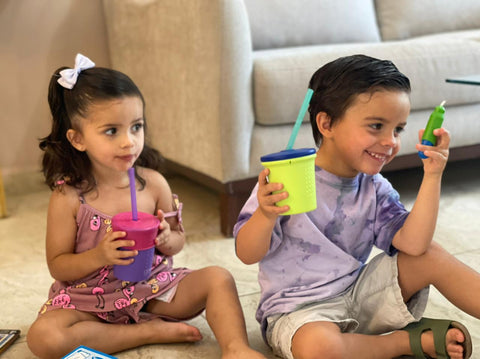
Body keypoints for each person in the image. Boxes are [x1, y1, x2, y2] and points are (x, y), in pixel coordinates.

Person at [234, 54, 479, 359]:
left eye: (398, 129)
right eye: (376, 126)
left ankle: (366, 343)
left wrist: (432, 176)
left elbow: (415, 245)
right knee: (319, 348)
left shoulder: (374, 189)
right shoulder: (283, 180)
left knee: (431, 254)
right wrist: (265, 214)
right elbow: (246, 253)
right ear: (326, 123)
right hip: (299, 313)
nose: (390, 141)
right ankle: (402, 343)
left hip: (359, 295)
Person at [27, 53, 266, 359]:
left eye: (136, 127)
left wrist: (168, 239)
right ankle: (145, 331)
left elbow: (178, 240)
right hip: (88, 302)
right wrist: (99, 255)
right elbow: (58, 264)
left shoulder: (152, 184)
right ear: (77, 139)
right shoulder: (69, 197)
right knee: (44, 338)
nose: (129, 142)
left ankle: (236, 348)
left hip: (151, 291)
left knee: (219, 277)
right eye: (112, 131)